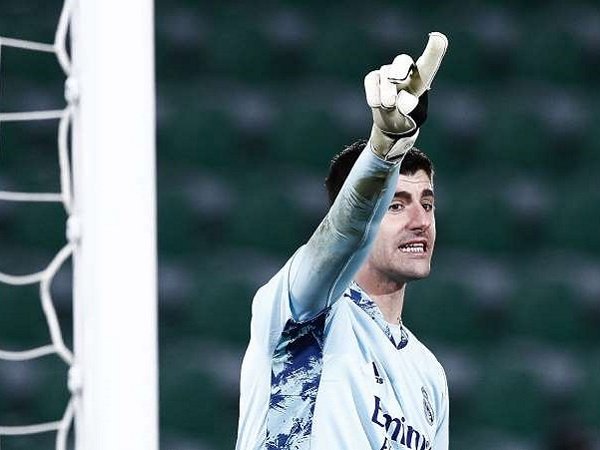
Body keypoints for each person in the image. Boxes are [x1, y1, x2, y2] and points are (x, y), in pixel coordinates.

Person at [236, 32, 449, 450]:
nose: (420, 220)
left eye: (427, 203)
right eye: (396, 205)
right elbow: (346, 233)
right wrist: (384, 151)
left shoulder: (430, 375)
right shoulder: (306, 308)